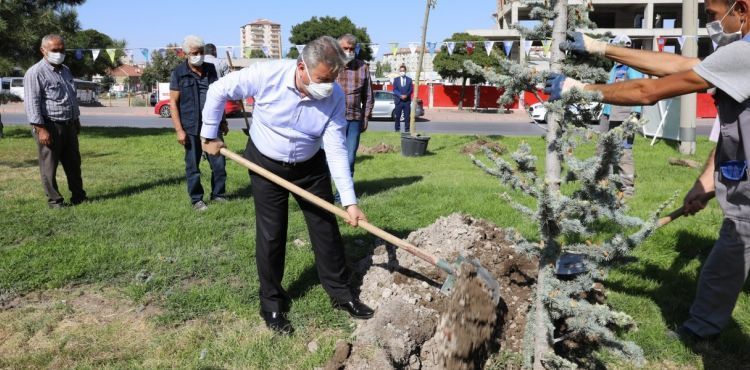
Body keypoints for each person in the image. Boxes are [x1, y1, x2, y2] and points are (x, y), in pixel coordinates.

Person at [548, 0, 750, 341]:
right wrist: (602, 48)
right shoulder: (738, 55)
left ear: (741, 10)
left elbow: (649, 90)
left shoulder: (743, 55)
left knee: (724, 262)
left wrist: (581, 90)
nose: (711, 25)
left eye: (713, 16)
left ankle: (700, 331)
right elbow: (679, 65)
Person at [200, 36, 374, 335]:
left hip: (309, 166)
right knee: (272, 234)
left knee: (325, 227)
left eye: (333, 79)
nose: (327, 85)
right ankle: (272, 304)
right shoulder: (267, 74)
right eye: (321, 78)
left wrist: (350, 201)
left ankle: (341, 294)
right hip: (265, 163)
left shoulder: (333, 96)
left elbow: (335, 149)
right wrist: (209, 135)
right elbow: (218, 90)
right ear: (301, 67)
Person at [24, 34, 86, 208]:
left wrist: (76, 120)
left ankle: (79, 196)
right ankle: (55, 201)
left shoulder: (65, 70)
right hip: (49, 126)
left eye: (62, 50)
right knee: (49, 167)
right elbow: (32, 103)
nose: (59, 53)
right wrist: (40, 129)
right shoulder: (35, 73)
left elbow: (71, 96)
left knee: (74, 164)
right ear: (43, 51)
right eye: (54, 50)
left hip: (69, 124)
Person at [169, 35, 228, 211]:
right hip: (190, 126)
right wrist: (179, 130)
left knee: (219, 163)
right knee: (193, 166)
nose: (199, 55)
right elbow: (173, 102)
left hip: (212, 125)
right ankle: (197, 199)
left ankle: (218, 194)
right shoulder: (178, 73)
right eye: (195, 53)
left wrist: (223, 120)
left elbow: (219, 96)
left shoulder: (211, 69)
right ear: (186, 54)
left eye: (201, 52)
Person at [600, 35, 644, 197]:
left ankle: (627, 189)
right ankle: (606, 184)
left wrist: (635, 114)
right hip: (608, 114)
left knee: (624, 150)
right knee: (605, 148)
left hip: (624, 116)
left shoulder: (631, 67)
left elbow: (639, 90)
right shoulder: (615, 67)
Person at [336, 34, 374, 178]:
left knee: (350, 158)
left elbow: (369, 95)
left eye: (351, 48)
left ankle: (345, 197)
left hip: (354, 119)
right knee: (328, 159)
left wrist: (366, 117)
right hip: (332, 120)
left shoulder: (362, 67)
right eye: (345, 48)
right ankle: (326, 195)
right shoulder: (329, 65)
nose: (349, 51)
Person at [392, 64, 413, 133]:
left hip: (407, 102)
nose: (402, 72)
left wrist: (406, 95)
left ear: (405, 71)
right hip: (398, 101)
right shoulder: (396, 80)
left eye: (403, 71)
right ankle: (397, 129)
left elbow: (411, 89)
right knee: (397, 116)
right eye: (401, 71)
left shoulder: (409, 80)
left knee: (407, 117)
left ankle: (407, 130)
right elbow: (394, 89)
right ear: (399, 71)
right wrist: (400, 95)